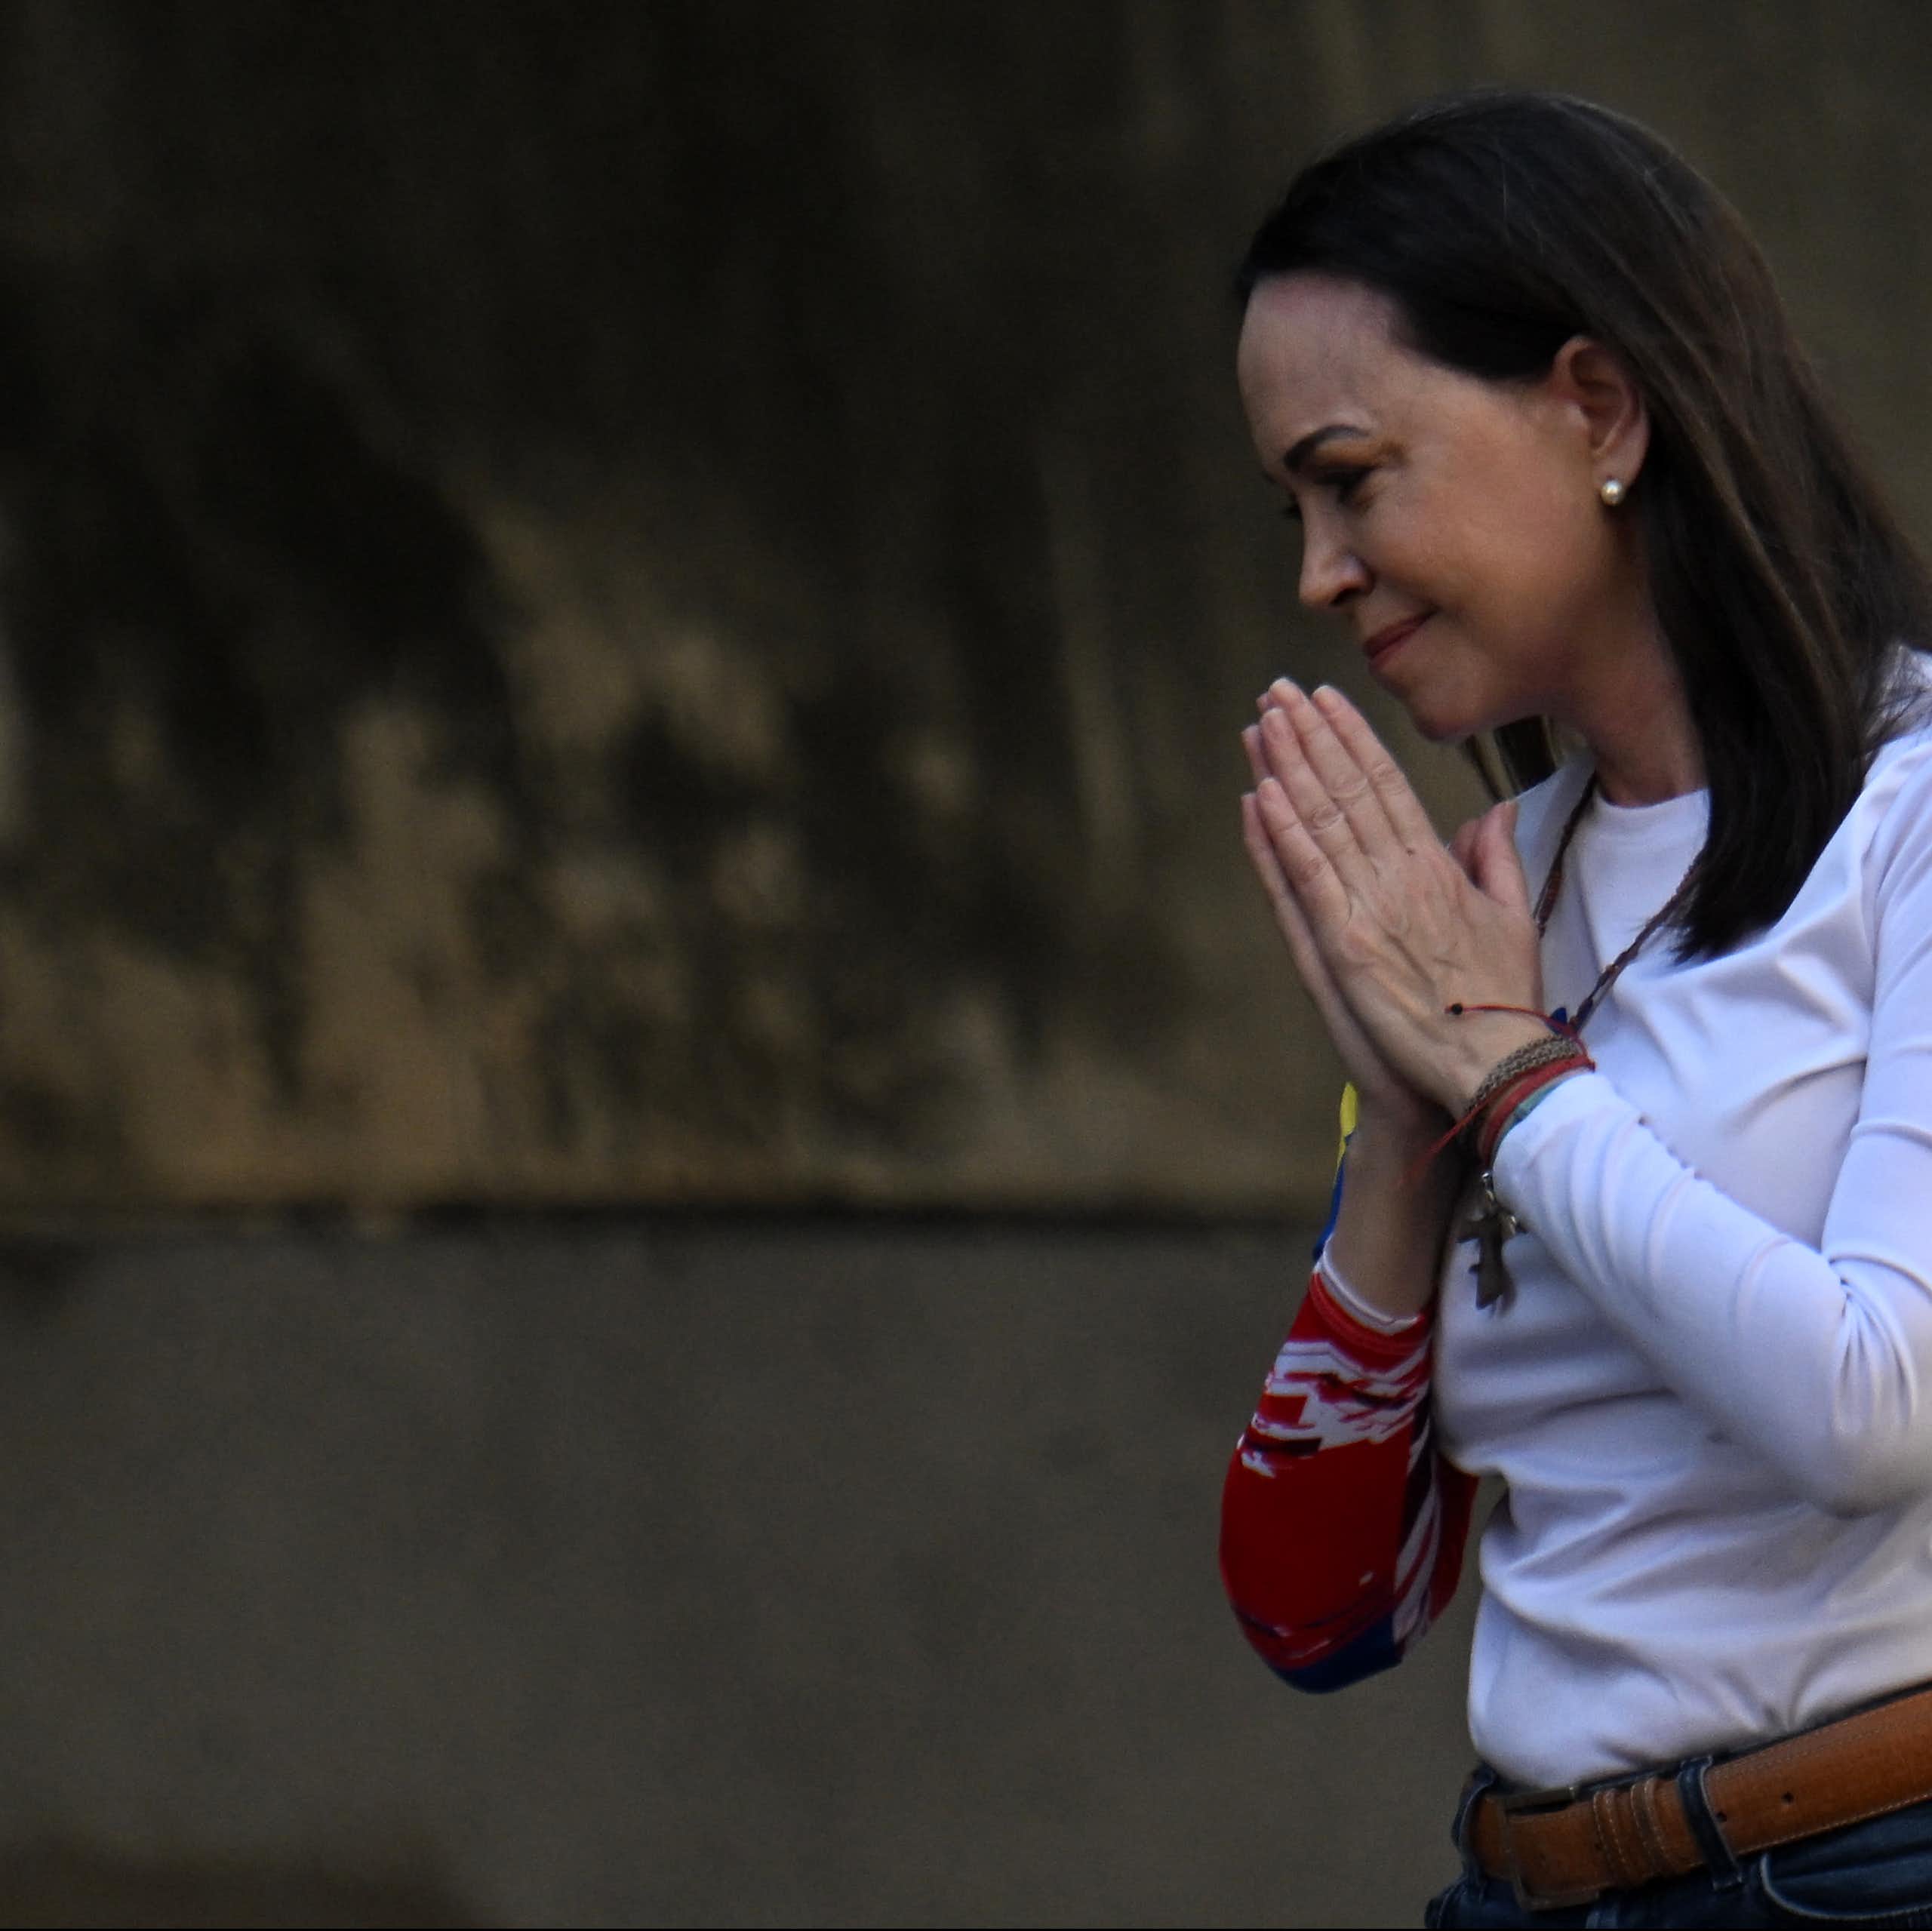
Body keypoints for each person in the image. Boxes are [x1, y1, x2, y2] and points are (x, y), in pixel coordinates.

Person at [1217, 91, 1932, 1926]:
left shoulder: (1909, 810)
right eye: (1291, 503)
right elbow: (1316, 1609)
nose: (1316, 569)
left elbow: (1871, 1400)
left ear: (1597, 410)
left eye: (1351, 475)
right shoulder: (1487, 901)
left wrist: (1511, 1078)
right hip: (1521, 1881)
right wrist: (1401, 1131)